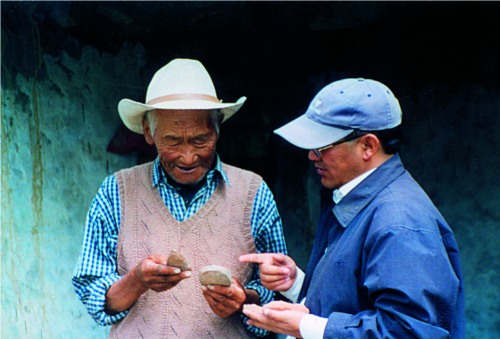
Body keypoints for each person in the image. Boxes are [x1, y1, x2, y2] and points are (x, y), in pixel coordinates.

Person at [72, 58, 288, 338]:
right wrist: (137, 280)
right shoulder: (116, 191)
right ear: (149, 133)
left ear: (218, 126)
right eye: (173, 141)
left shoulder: (253, 192)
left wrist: (244, 299)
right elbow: (94, 297)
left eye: (200, 140)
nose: (188, 156)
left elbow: (282, 297)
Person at [240, 78, 465, 338]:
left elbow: (408, 331)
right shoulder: (354, 198)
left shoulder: (399, 221)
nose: (312, 155)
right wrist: (296, 284)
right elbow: (357, 299)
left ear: (368, 146)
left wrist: (305, 326)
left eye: (322, 146)